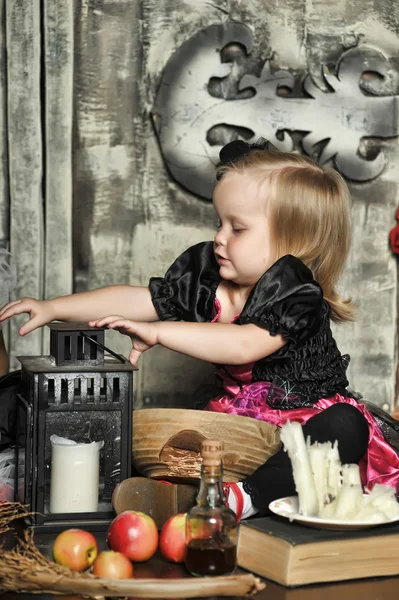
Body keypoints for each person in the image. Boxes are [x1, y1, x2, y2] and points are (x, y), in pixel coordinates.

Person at [1, 140, 398, 522]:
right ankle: (185, 494)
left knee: (347, 425)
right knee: (163, 436)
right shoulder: (210, 281)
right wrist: (54, 307)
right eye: (218, 222)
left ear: (291, 242)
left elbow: (242, 345)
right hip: (240, 426)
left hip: (301, 429)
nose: (219, 238)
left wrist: (161, 333)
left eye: (237, 229)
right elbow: (138, 299)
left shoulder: (296, 295)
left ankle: (244, 499)